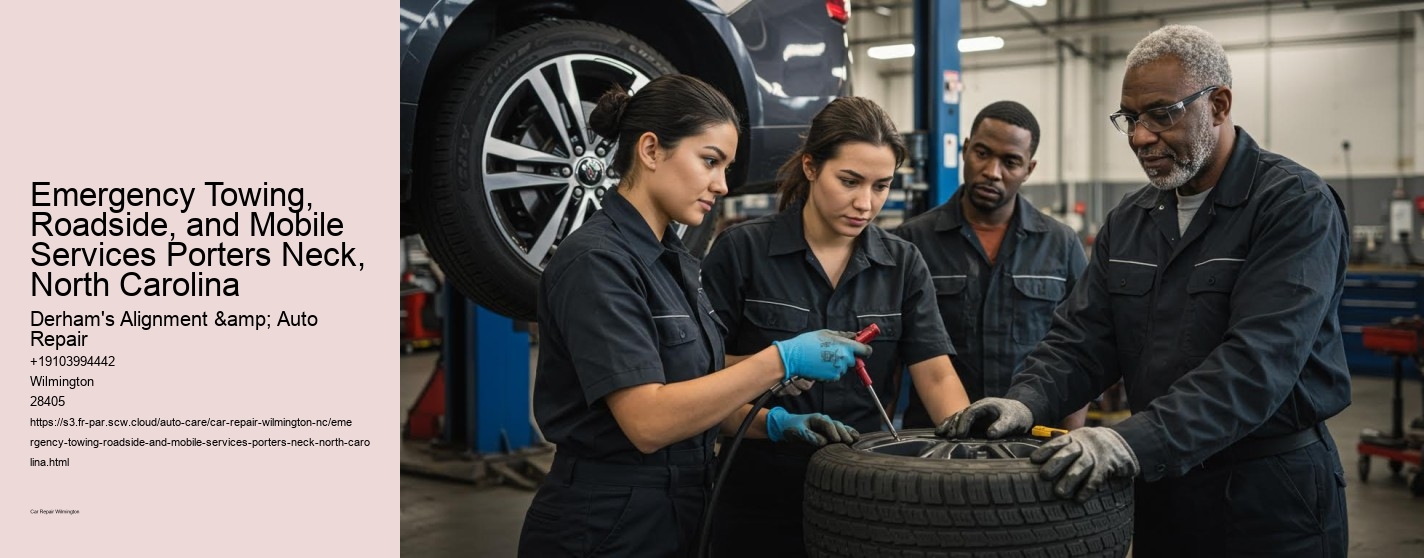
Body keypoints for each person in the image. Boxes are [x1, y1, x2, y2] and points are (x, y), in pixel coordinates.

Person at [938, 24, 1350, 557]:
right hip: (1163, 490)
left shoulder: (1293, 206)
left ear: (1219, 104)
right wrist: (1026, 402)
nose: (1139, 137)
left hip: (1270, 498)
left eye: (1161, 114)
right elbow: (1082, 340)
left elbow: (1257, 365)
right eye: (1130, 119)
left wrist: (1129, 440)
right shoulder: (1131, 219)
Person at [517, 74, 872, 558]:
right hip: (606, 521)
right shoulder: (598, 263)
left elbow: (690, 388)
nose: (722, 184)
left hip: (676, 506)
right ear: (650, 149)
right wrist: (779, 360)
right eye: (710, 161)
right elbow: (649, 421)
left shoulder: (671, 260)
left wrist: (770, 422)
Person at [700, 96, 971, 557]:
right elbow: (703, 377)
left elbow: (937, 374)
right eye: (849, 181)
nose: (865, 203)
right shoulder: (741, 251)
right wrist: (776, 410)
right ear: (810, 166)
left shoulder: (901, 263)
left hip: (862, 492)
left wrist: (971, 462)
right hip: (755, 488)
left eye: (881, 186)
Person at [893, 101, 1089, 430]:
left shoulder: (1062, 244)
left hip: (1033, 440)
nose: (992, 172)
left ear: (1029, 169)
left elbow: (1081, 352)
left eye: (1010, 162)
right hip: (936, 441)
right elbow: (892, 360)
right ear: (966, 150)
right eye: (982, 153)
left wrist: (1069, 439)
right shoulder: (913, 242)